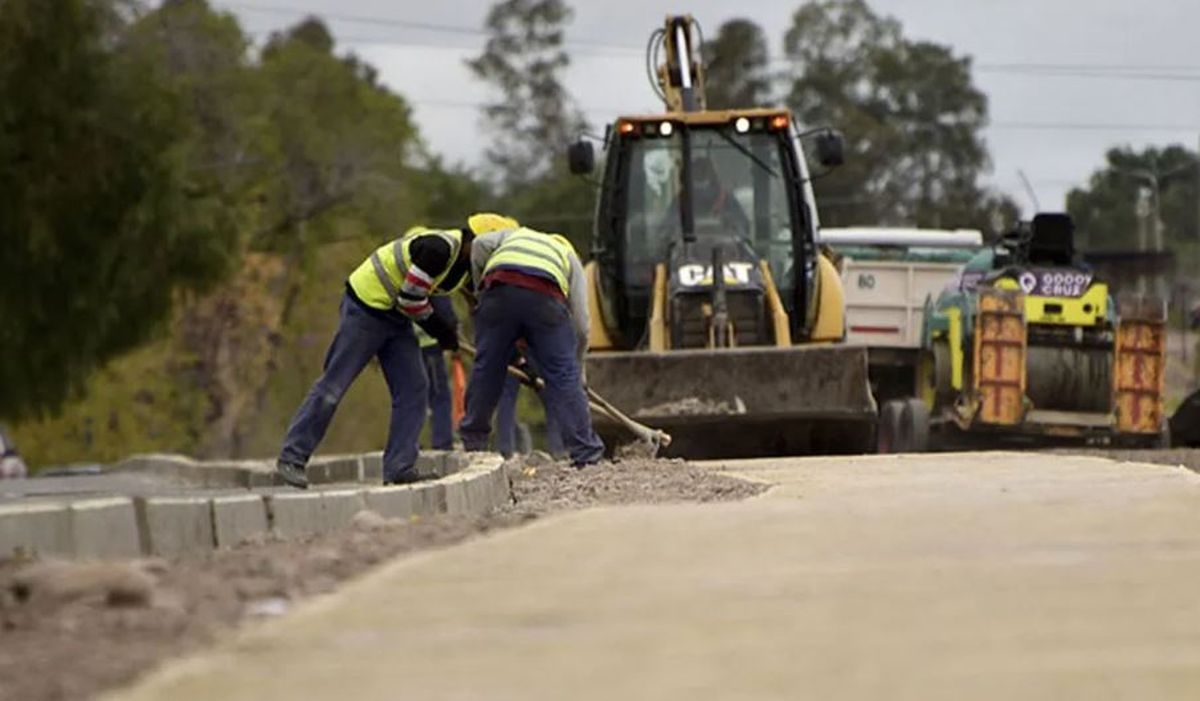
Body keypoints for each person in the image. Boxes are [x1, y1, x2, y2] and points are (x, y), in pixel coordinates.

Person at [276, 213, 519, 489]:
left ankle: (399, 467)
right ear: (479, 242)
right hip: (366, 307)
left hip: (397, 316)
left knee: (414, 389)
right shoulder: (438, 249)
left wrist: (505, 350)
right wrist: (441, 332)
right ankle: (292, 458)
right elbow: (411, 298)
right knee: (334, 385)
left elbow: (478, 309)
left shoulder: (467, 267)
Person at [460, 225, 605, 467]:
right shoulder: (568, 257)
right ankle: (586, 453)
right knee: (563, 375)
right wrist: (576, 369)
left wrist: (479, 292)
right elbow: (582, 325)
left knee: (487, 367)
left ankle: (474, 443)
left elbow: (479, 245)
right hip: (544, 298)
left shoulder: (513, 235)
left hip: (499, 292)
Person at [494, 353, 567, 459]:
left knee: (552, 396)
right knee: (552, 397)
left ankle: (505, 451)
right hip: (521, 348)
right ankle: (559, 451)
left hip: (513, 346)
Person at [415, 296, 458, 451]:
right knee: (440, 396)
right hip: (430, 343)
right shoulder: (429, 276)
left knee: (411, 397)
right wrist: (451, 331)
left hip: (406, 345)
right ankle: (442, 442)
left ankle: (409, 442)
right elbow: (442, 304)